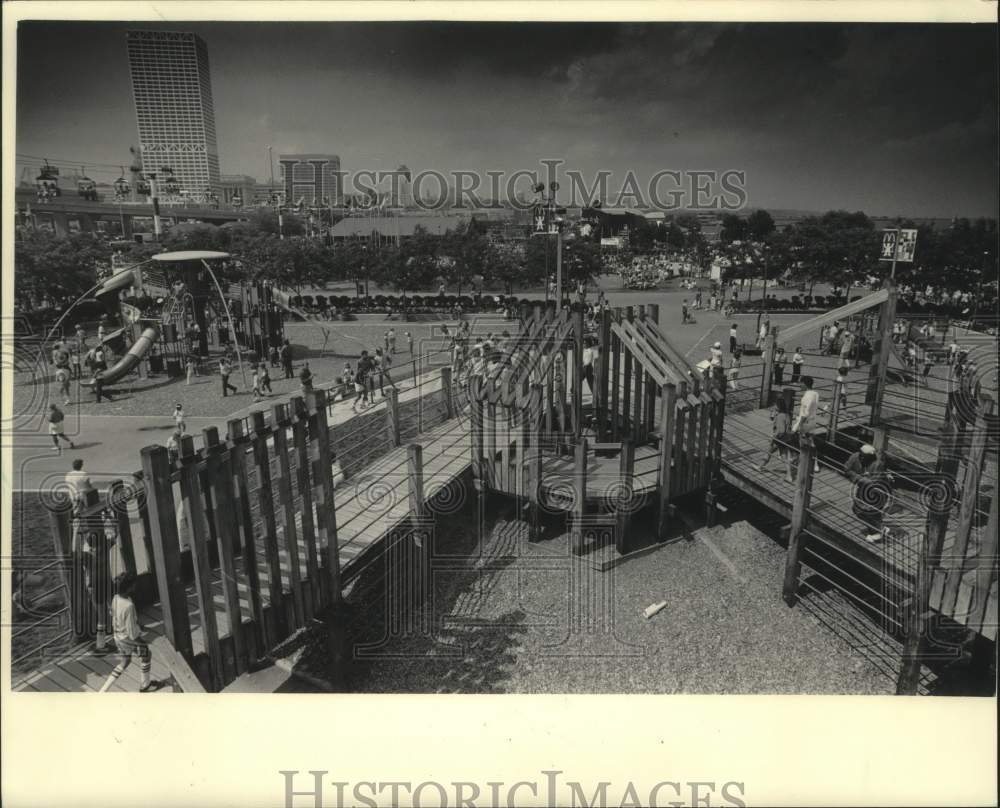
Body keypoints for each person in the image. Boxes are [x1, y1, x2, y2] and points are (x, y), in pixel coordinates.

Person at [100, 572, 161, 692]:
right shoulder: (129, 605)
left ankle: (103, 690)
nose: (135, 586)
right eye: (133, 585)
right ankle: (145, 685)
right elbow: (132, 631)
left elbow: (113, 614)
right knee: (146, 655)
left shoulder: (115, 598)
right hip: (129, 637)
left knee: (125, 661)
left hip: (118, 636)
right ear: (129, 587)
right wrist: (141, 642)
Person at [844, 444, 890, 543]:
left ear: (871, 457)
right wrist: (862, 478)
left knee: (872, 512)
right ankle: (880, 529)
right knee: (857, 509)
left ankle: (878, 532)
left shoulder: (878, 464)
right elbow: (847, 469)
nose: (861, 458)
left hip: (878, 492)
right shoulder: (855, 457)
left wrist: (859, 478)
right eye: (861, 455)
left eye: (865, 457)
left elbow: (874, 483)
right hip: (863, 489)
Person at [756, 396, 795, 482]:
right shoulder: (787, 415)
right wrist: (774, 416)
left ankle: (760, 467)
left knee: (773, 454)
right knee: (777, 455)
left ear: (779, 406)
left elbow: (781, 430)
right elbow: (785, 427)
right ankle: (789, 476)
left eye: (775, 405)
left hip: (778, 439)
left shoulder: (780, 416)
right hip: (785, 439)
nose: (774, 406)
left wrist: (773, 437)